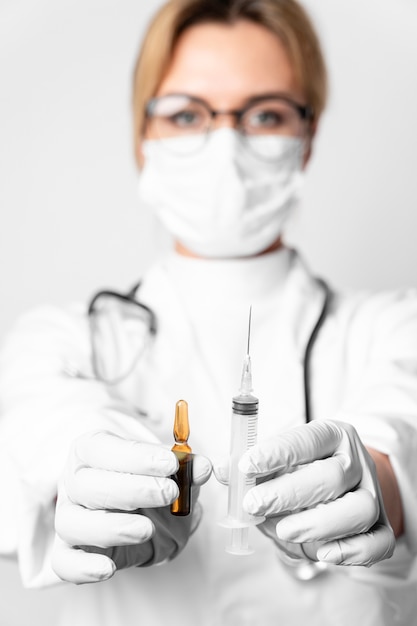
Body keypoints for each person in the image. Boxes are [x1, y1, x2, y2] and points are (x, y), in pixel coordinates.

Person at [1, 0, 417, 624]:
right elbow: (38, 431)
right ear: (144, 138)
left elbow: (402, 432)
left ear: (307, 138)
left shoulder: (396, 329)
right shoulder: (59, 342)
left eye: (266, 114)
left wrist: (376, 481)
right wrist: (92, 472)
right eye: (188, 113)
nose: (226, 144)